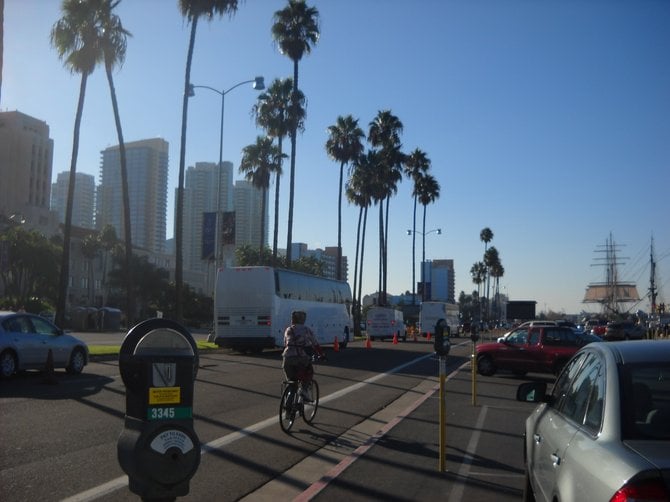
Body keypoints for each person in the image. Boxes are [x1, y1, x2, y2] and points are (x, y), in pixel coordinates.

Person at [282, 311, 324, 394]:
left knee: (291, 381)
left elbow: (285, 344)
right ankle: (304, 390)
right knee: (309, 371)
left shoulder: (288, 329)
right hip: (301, 358)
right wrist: (321, 354)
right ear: (303, 320)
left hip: (287, 358)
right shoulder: (306, 329)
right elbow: (315, 343)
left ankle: (288, 401)